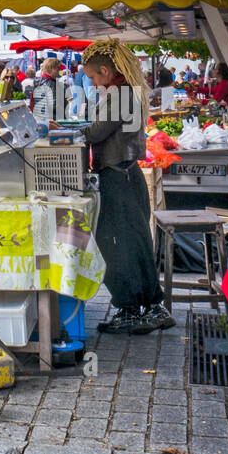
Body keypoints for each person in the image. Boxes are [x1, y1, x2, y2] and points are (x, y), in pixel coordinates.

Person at [82, 37, 173, 335]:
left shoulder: (119, 95)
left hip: (118, 177)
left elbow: (96, 133)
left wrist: (65, 129)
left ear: (106, 72)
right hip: (125, 174)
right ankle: (149, 307)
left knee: (118, 246)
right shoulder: (124, 91)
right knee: (135, 243)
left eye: (93, 77)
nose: (93, 83)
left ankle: (133, 308)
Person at [31, 57, 71, 123]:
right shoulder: (50, 83)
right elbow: (55, 104)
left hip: (43, 119)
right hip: (54, 120)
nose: (59, 71)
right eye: (58, 68)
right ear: (51, 68)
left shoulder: (39, 82)